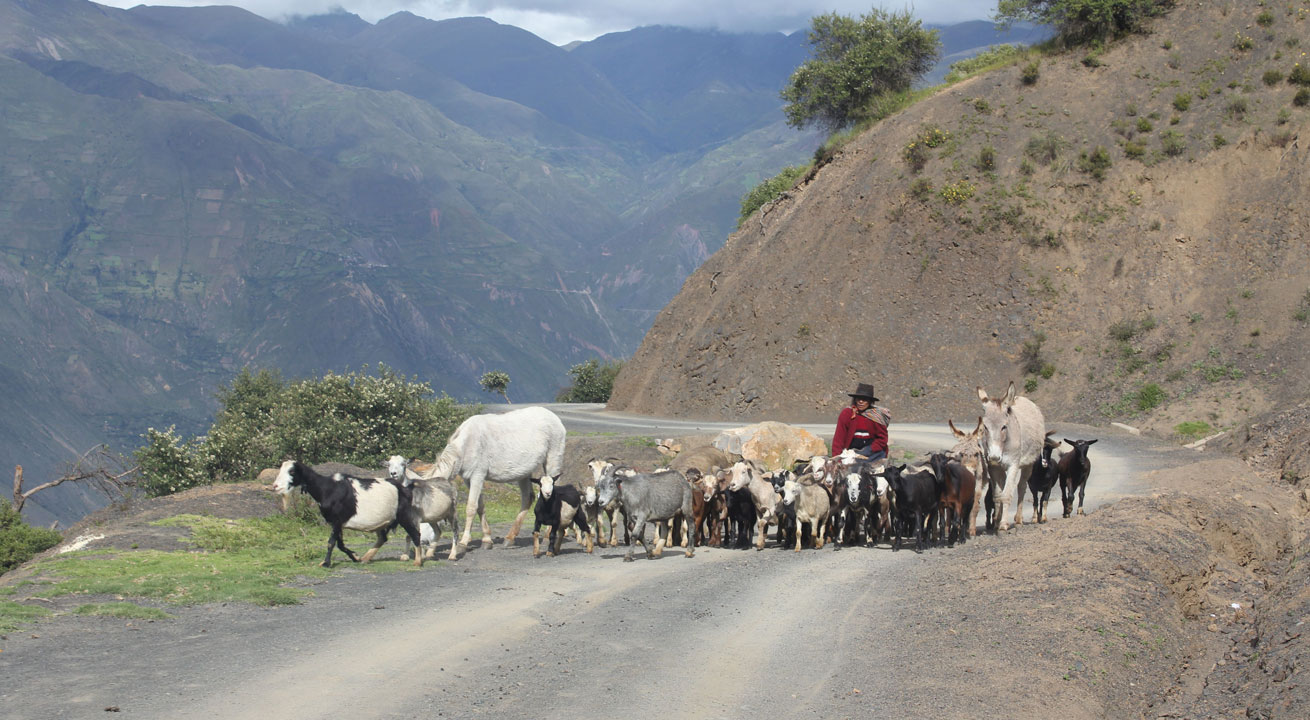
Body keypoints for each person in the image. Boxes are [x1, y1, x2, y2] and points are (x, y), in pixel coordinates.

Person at [831, 382, 889, 461]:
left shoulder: (876, 416)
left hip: (873, 453)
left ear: (870, 401)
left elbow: (882, 439)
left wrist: (867, 451)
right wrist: (837, 459)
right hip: (851, 453)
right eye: (858, 399)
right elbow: (839, 439)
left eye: (864, 399)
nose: (861, 401)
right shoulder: (847, 414)